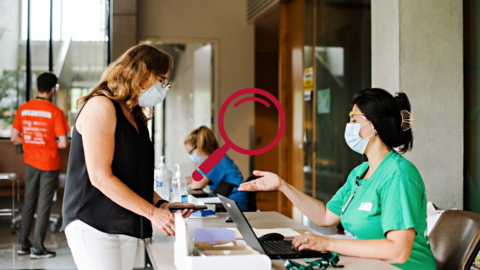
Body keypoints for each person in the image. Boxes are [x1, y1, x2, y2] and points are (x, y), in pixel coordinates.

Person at [239, 88, 437, 270]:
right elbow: (325, 216)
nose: (348, 126)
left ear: (374, 126)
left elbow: (398, 251)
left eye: (354, 119)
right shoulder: (360, 172)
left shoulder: (398, 175)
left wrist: (328, 243)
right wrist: (282, 185)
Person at [60, 45, 194, 270]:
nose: (164, 88)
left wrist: (161, 204)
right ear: (142, 73)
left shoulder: (137, 117)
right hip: (93, 221)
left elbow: (134, 178)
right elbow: (100, 177)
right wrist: (153, 213)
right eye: (162, 81)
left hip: (125, 221)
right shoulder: (101, 106)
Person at [10, 72, 69, 259]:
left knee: (29, 202)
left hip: (30, 162)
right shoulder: (55, 112)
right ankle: (37, 248)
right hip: (49, 163)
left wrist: (31, 142)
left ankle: (22, 244)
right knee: (43, 205)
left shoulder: (23, 109)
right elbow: (63, 143)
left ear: (38, 87)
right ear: (53, 90)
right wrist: (46, 141)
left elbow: (14, 137)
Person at [184, 126, 250, 211]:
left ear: (200, 146)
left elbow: (195, 186)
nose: (190, 155)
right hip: (232, 202)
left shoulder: (213, 160)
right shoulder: (217, 156)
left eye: (190, 152)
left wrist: (186, 182)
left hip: (235, 206)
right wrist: (178, 179)